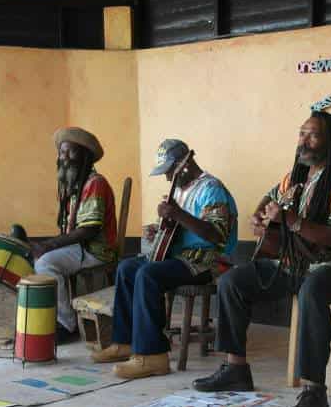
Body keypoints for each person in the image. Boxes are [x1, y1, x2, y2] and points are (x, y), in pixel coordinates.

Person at [192, 111, 331, 407]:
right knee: (232, 281)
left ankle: (314, 390)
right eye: (301, 133)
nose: (303, 140)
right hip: (290, 262)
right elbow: (267, 201)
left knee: (313, 289)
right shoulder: (293, 179)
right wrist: (260, 220)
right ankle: (236, 368)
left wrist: (290, 221)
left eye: (312, 134)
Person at [96, 139, 238, 379]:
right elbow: (179, 229)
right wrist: (158, 228)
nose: (167, 178)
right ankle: (126, 342)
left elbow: (217, 235)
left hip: (204, 262)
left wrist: (177, 214)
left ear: (185, 164)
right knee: (127, 268)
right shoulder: (180, 189)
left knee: (148, 275)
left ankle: (153, 356)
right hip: (177, 256)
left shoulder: (210, 188)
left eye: (170, 171)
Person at [27, 127, 117, 343]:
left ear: (85, 156)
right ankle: (51, 317)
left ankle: (67, 324)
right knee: (35, 258)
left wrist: (49, 246)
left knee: (45, 264)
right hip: (81, 248)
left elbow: (89, 229)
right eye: (61, 152)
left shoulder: (95, 183)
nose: (64, 158)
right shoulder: (74, 186)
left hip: (96, 250)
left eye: (70, 152)